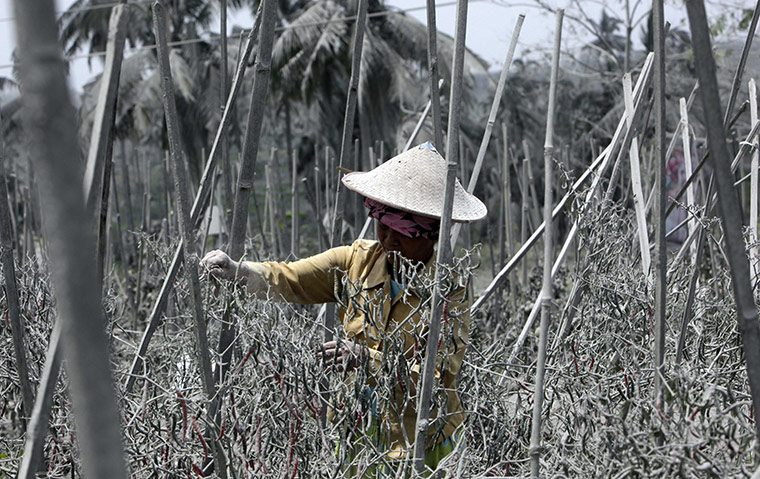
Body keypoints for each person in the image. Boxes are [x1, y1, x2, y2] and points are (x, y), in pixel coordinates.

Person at [201, 142, 487, 474]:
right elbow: (292, 278)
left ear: (433, 233)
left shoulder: (448, 292)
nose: (389, 241)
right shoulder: (356, 262)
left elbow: (435, 377)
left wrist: (366, 359)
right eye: (383, 227)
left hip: (422, 442)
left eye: (403, 233)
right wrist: (238, 272)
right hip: (359, 432)